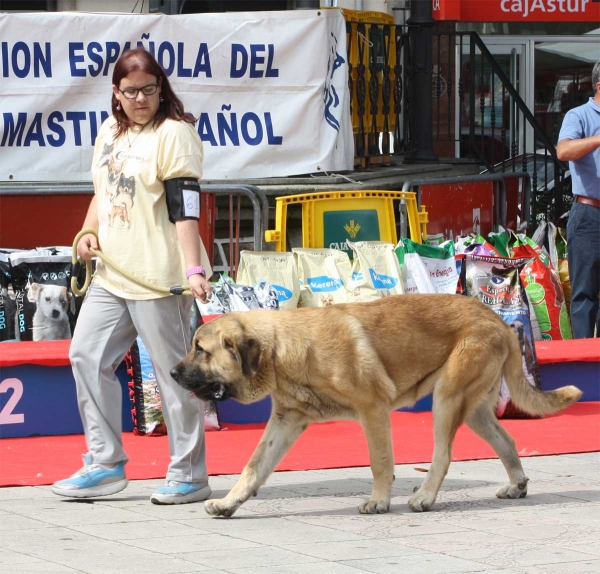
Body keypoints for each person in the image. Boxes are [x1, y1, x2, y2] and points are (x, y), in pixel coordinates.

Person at [51, 47, 213, 504]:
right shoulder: (109, 131)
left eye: (149, 89)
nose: (140, 98)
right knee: (85, 354)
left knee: (174, 374)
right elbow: (103, 192)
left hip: (160, 276)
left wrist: (193, 268)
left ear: (161, 89)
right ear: (115, 94)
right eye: (131, 91)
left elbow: (186, 207)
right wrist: (87, 231)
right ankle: (104, 464)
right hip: (111, 273)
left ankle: (190, 474)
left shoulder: (174, 134)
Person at [556, 61, 600, 339]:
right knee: (584, 295)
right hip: (589, 215)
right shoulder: (579, 115)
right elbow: (564, 150)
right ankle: (585, 370)